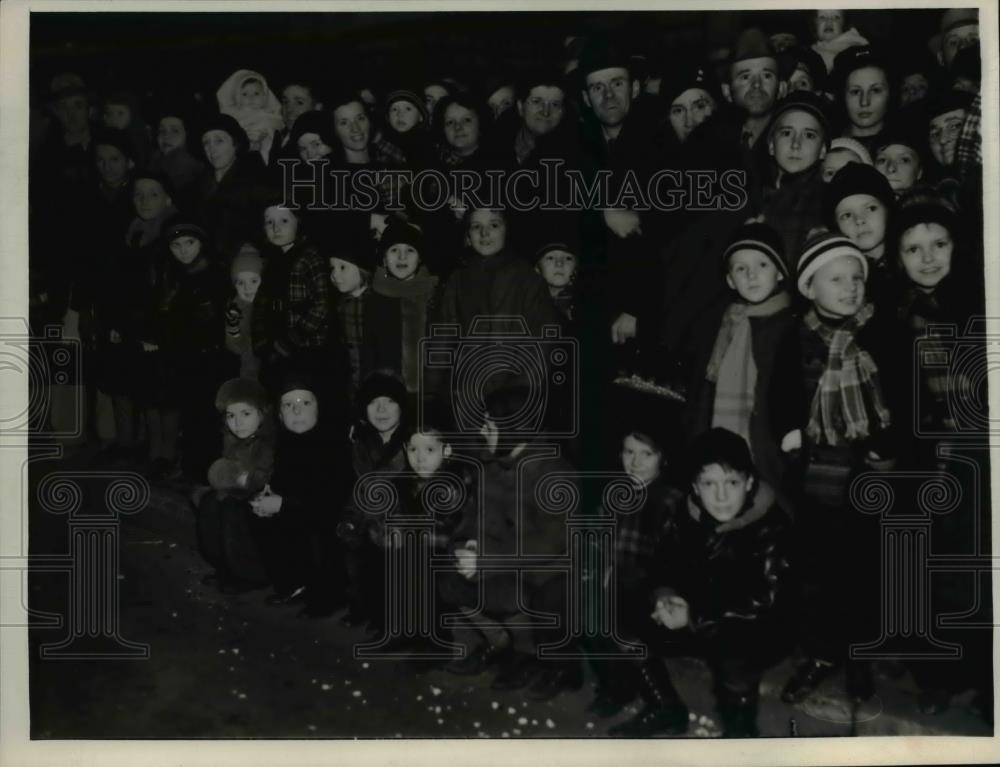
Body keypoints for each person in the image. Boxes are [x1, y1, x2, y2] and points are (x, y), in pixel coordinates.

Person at [779, 229, 900, 706]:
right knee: (816, 574)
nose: (851, 287)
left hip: (866, 476)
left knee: (863, 572)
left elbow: (900, 399)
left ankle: (859, 656)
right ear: (809, 287)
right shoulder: (797, 336)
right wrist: (790, 430)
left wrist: (888, 446)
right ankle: (821, 653)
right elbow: (782, 391)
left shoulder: (880, 331)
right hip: (816, 476)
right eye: (836, 279)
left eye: (857, 277)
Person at [609, 427, 790, 737]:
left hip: (757, 627)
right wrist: (664, 596)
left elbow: (768, 600)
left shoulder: (772, 527)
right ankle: (664, 707)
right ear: (695, 486)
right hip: (698, 618)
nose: (720, 496)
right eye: (709, 483)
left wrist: (692, 615)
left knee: (736, 650)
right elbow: (661, 565)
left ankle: (741, 734)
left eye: (731, 482)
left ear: (749, 483)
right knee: (619, 613)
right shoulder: (685, 515)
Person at [439, 384, 581, 700]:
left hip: (547, 571)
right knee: (448, 579)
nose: (482, 431)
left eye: (490, 425)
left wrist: (487, 559)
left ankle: (534, 658)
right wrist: (470, 543)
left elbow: (548, 545)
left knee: (517, 593)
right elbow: (475, 514)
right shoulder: (491, 462)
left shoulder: (555, 474)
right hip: (501, 559)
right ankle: (499, 644)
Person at [686, 220, 798, 507]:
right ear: (730, 280)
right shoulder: (724, 323)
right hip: (721, 444)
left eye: (762, 264)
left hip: (769, 447)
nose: (752, 275)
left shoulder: (790, 326)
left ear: (780, 273)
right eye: (740, 268)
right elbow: (705, 391)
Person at [249, 374, 352, 617]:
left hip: (335, 524)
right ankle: (294, 584)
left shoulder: (333, 446)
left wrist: (282, 504)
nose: (297, 410)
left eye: (305, 403)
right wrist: (267, 495)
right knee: (261, 514)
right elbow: (283, 483)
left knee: (317, 531)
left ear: (319, 408)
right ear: (280, 414)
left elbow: (330, 503)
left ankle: (329, 595)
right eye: (288, 405)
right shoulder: (284, 444)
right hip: (300, 514)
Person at [155, 215, 230, 481]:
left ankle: (204, 473)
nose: (184, 250)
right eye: (177, 245)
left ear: (202, 243)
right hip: (182, 359)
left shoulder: (217, 276)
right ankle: (190, 469)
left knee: (207, 420)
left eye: (190, 242)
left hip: (211, 360)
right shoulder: (172, 276)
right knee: (188, 419)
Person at [197, 377, 276, 594]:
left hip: (263, 498)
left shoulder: (266, 443)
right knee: (210, 504)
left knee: (234, 512)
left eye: (246, 414)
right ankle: (224, 565)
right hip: (238, 493)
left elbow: (262, 479)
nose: (237, 422)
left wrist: (238, 478)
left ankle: (249, 572)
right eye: (231, 416)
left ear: (262, 413)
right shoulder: (233, 439)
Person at [369, 215, 440, 402]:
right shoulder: (376, 296)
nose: (402, 257)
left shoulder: (435, 294)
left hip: (430, 393)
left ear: (420, 258)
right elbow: (369, 351)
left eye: (410, 250)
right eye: (394, 250)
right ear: (384, 259)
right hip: (388, 394)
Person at [195, 114, 275, 259]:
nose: (211, 149)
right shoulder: (198, 186)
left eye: (219, 141)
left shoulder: (255, 180)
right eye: (206, 142)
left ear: (235, 143)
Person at [825, 162, 896, 308]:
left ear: (888, 210)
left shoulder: (911, 260)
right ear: (836, 226)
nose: (859, 220)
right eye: (847, 215)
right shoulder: (836, 276)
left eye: (870, 208)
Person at [831, 46, 891, 157]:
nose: (864, 102)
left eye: (875, 90)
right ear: (842, 95)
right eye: (855, 92)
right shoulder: (827, 147)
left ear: (890, 93)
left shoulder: (904, 146)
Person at [217, 69, 285, 163]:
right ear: (237, 97)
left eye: (256, 93)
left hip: (268, 149)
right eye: (245, 94)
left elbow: (277, 124)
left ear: (265, 96)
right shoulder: (234, 115)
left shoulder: (271, 114)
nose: (251, 98)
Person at [223, 242, 266, 381]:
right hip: (249, 371)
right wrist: (233, 328)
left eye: (254, 281)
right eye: (240, 283)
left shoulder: (271, 304)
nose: (247, 288)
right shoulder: (236, 308)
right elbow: (236, 348)